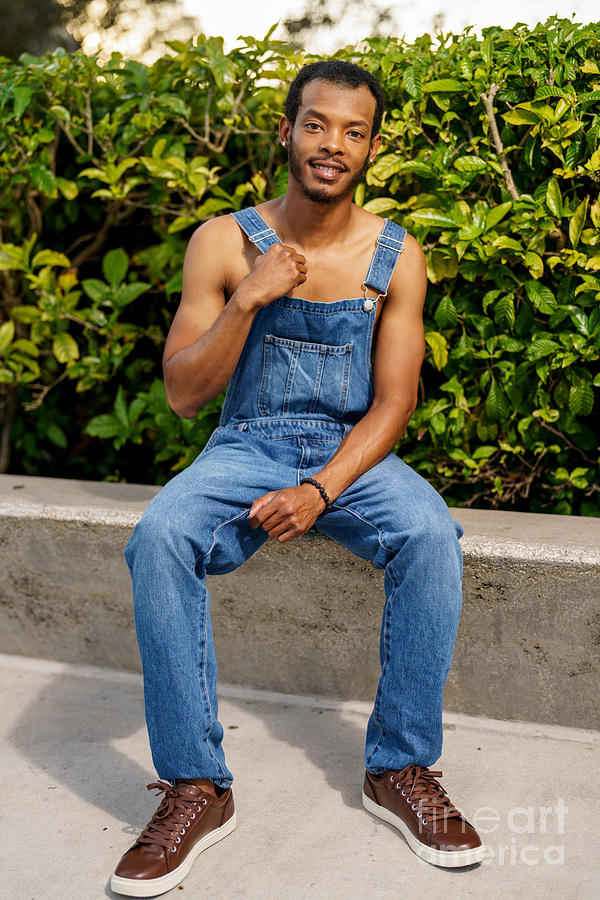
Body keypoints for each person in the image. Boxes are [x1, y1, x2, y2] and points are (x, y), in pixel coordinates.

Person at [110, 59, 484, 897]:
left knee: (430, 535)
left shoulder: (397, 256)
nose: (332, 145)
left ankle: (398, 768)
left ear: (372, 148)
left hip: (350, 452)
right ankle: (198, 786)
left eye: (354, 132)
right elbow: (181, 394)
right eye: (317, 124)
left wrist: (320, 490)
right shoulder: (222, 241)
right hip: (245, 442)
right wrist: (248, 297)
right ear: (286, 131)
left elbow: (394, 404)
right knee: (161, 536)